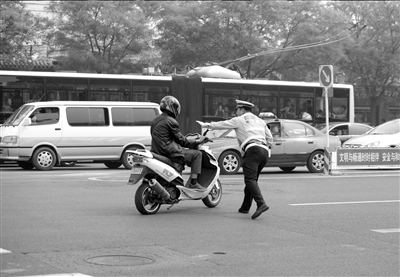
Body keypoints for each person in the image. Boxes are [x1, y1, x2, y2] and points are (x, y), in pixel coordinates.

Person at [200, 100, 273, 220]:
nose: (236, 112)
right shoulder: (260, 121)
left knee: (250, 180)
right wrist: (266, 148)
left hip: (253, 150)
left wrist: (207, 125)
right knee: (252, 180)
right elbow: (270, 138)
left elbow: (223, 124)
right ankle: (245, 207)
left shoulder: (239, 120)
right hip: (264, 151)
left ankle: (261, 204)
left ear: (242, 110)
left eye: (237, 110)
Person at [150, 95, 205, 191]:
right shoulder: (171, 121)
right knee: (197, 154)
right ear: (173, 108)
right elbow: (182, 141)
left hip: (157, 151)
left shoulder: (155, 120)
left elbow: (166, 137)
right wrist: (197, 141)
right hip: (170, 153)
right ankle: (193, 183)